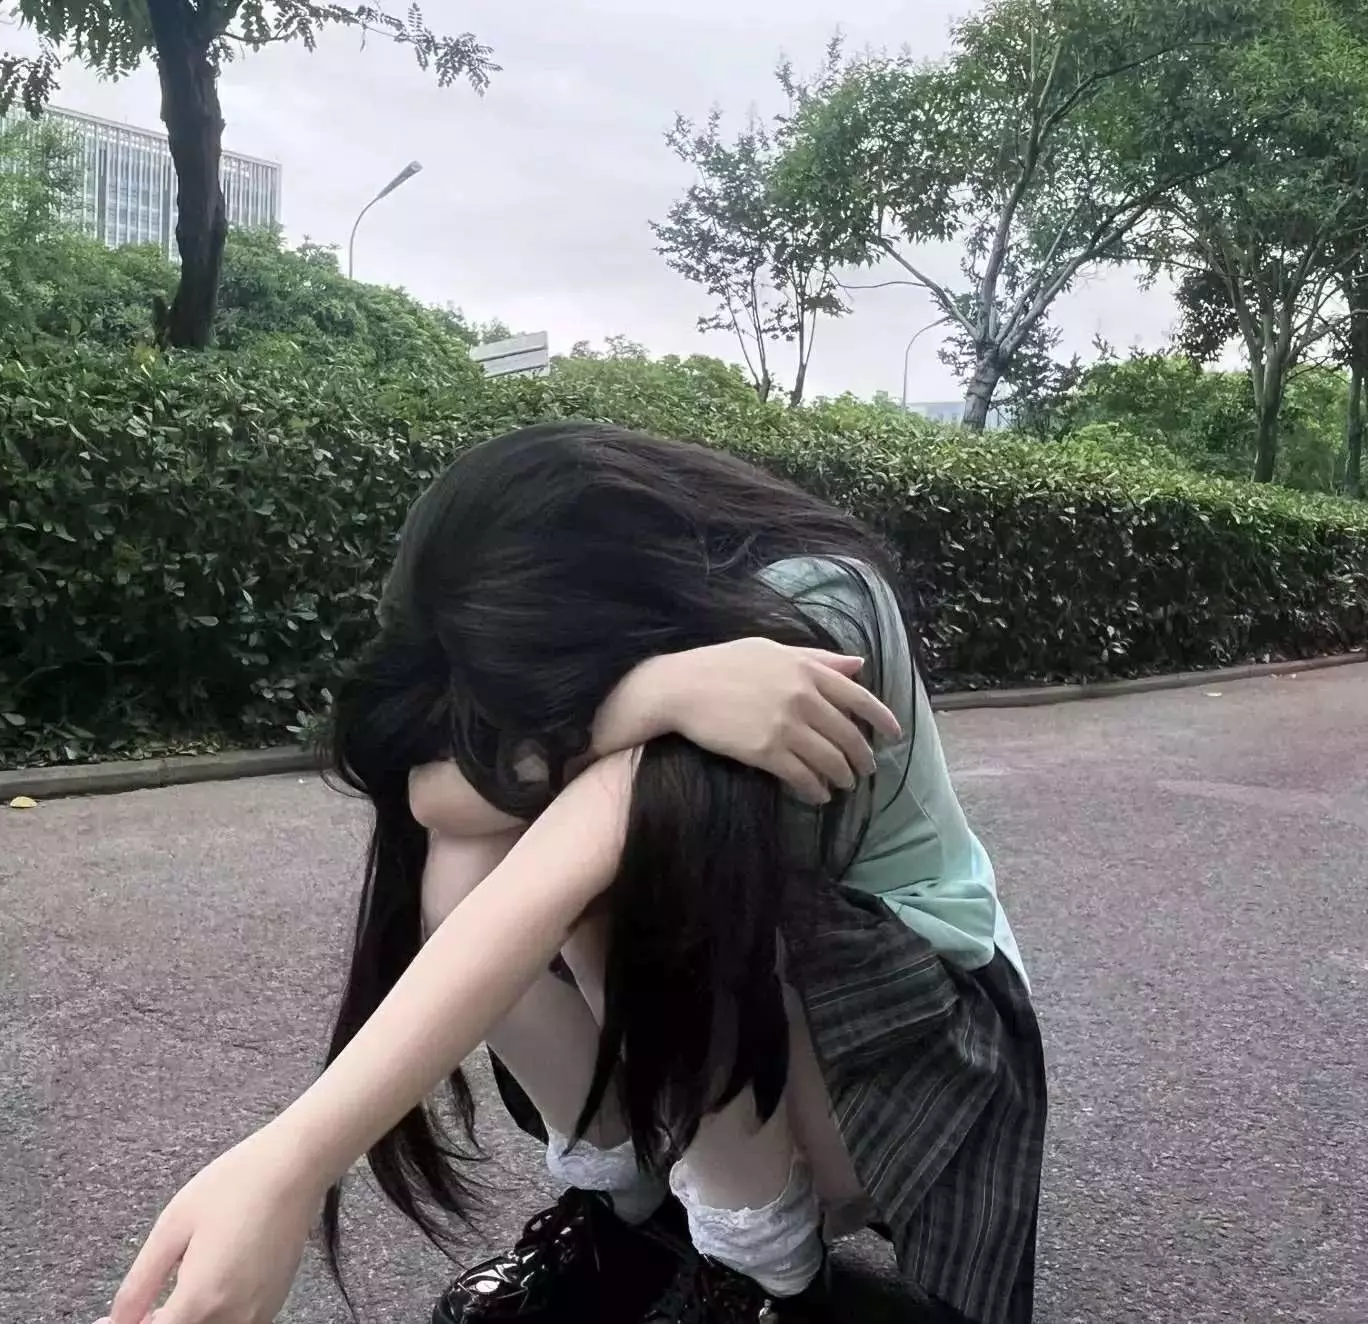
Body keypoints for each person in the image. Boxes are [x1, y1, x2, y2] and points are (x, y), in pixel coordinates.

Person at [99, 423, 1046, 1324]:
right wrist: (656, 693)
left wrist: (294, 1161)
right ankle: (631, 1223)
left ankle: (765, 1278)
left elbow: (601, 828)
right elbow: (435, 792)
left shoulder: (818, 605)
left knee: (646, 863)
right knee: (468, 852)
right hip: (767, 1024)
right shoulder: (644, 632)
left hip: (917, 1051)